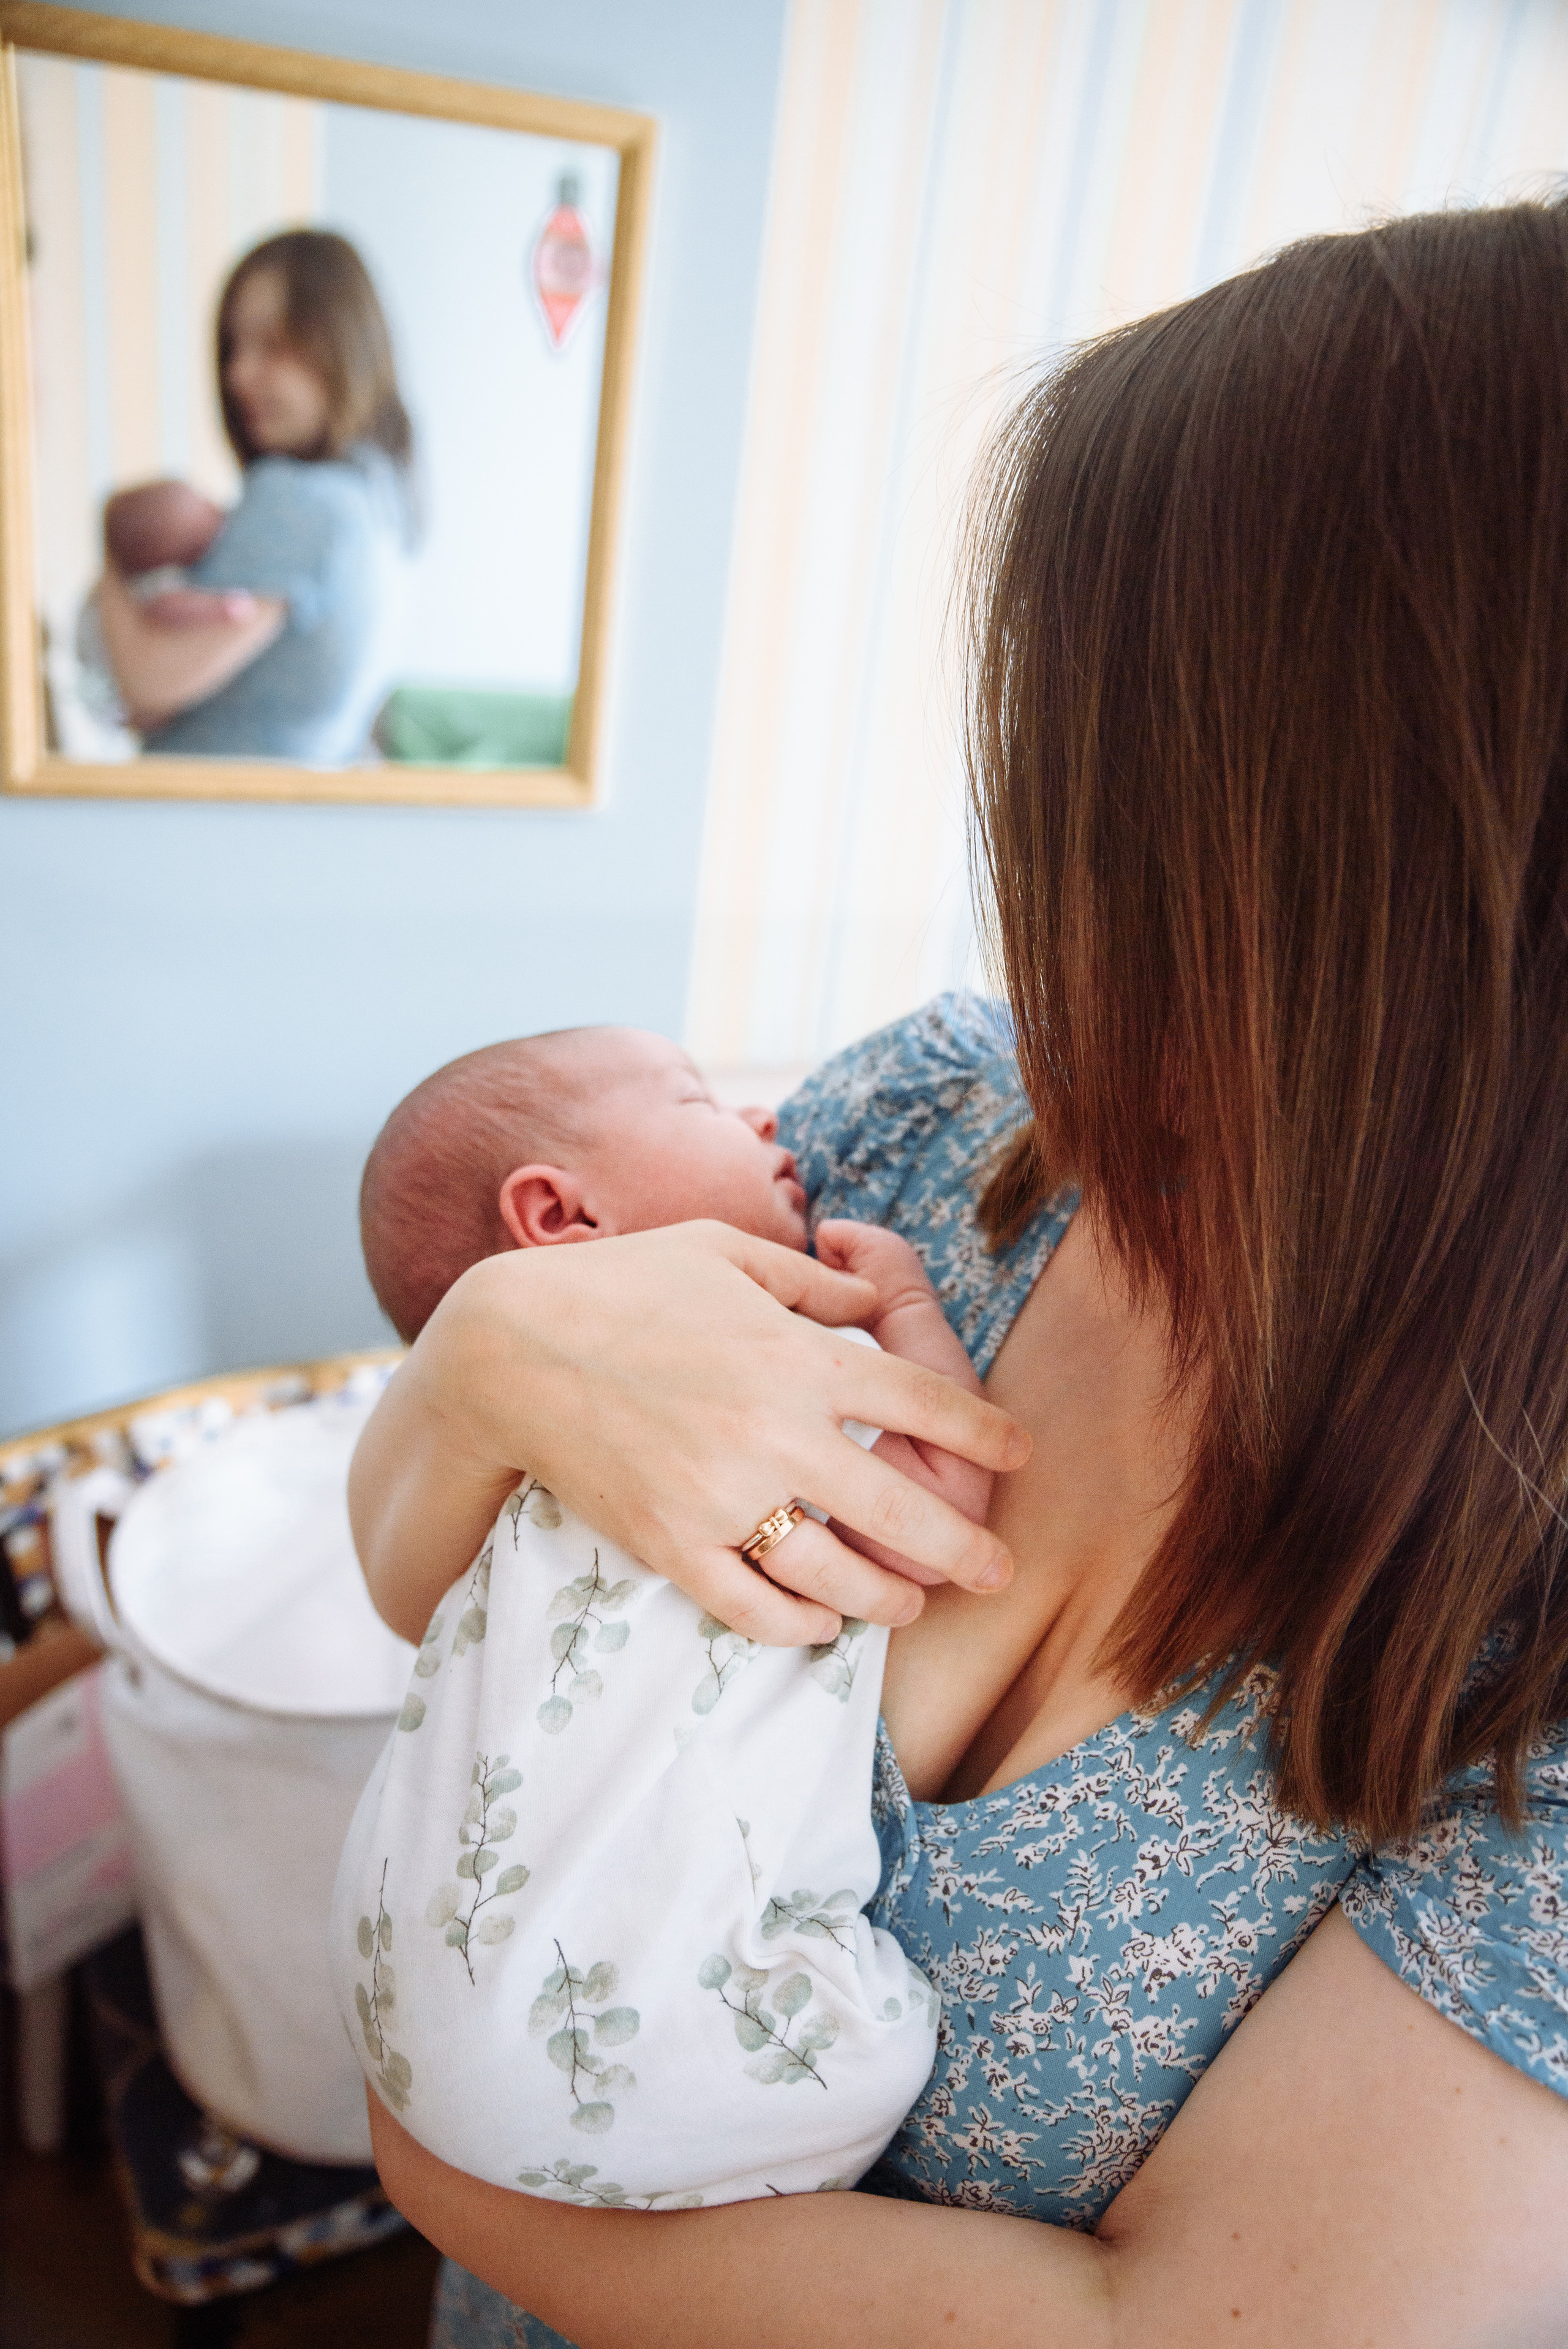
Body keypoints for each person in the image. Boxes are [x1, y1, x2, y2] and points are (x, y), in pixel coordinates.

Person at [349, 200, 1568, 2347]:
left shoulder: (1521, 1646)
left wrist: (453, 2166)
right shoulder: (923, 1128)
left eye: (1108, 801)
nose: (1038, 882)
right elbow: (433, 1569)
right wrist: (483, 1356)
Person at [334, 1026, 993, 2207]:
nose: (764, 1122)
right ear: (559, 1214)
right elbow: (929, 1503)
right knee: (870, 2056)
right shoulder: (773, 1358)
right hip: (643, 2050)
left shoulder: (502, 1464)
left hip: (392, 1974)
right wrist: (897, 1302)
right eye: (699, 1096)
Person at [92, 229, 413, 762]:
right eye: (234, 348)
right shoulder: (386, 507)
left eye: (273, 345)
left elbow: (147, 681)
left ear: (339, 343)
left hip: (190, 827)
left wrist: (110, 551)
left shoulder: (300, 502)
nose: (239, 374)